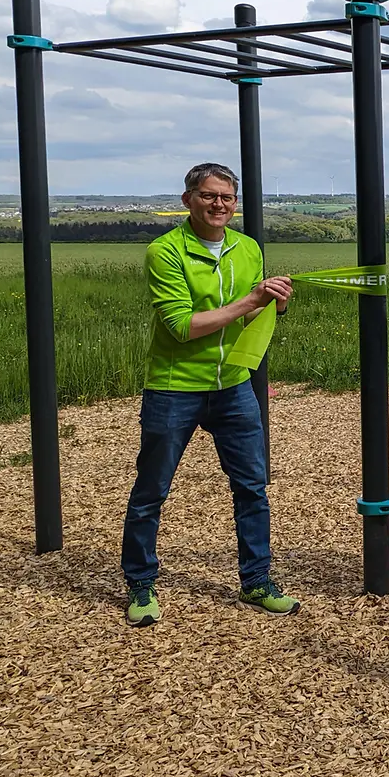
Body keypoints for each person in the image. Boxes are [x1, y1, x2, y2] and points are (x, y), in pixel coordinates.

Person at [122, 162, 300, 627]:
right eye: (208, 195)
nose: (218, 204)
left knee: (252, 488)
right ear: (188, 200)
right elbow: (183, 327)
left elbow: (249, 320)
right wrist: (252, 301)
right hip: (174, 387)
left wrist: (275, 305)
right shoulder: (165, 252)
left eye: (226, 197)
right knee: (151, 491)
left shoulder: (248, 248)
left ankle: (257, 581)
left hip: (233, 388)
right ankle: (140, 584)